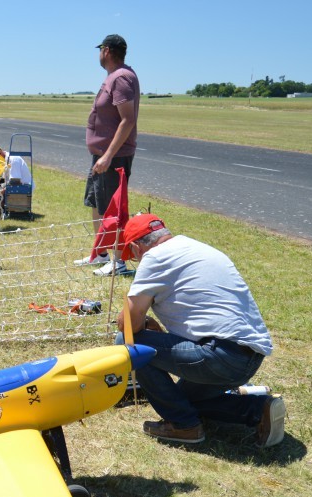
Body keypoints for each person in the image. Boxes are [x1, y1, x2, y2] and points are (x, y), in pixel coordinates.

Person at [115, 213, 286, 447]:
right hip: (248, 358)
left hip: (219, 356)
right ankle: (258, 410)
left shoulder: (154, 257)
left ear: (135, 247)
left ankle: (184, 425)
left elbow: (128, 326)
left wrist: (141, 324)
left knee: (125, 343)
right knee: (180, 400)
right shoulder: (198, 247)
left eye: (133, 256)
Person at [79, 34, 140, 277]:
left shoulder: (122, 77)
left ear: (106, 51)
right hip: (102, 155)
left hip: (113, 157)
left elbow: (128, 120)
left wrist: (108, 156)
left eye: (100, 50)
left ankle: (119, 262)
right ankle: (101, 254)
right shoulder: (114, 77)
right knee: (97, 203)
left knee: (113, 210)